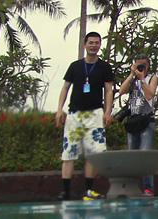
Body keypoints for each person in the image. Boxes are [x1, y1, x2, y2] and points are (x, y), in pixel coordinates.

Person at [55, 32, 116, 202]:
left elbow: (109, 90)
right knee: (69, 153)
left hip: (95, 115)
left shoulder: (104, 67)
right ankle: (66, 192)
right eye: (91, 43)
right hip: (74, 115)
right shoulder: (75, 66)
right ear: (85, 45)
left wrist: (108, 112)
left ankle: (88, 191)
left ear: (100, 45)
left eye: (97, 43)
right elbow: (65, 88)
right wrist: (59, 109)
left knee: (93, 154)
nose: (93, 46)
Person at [117, 54, 158, 196]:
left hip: (147, 120)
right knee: (132, 155)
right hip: (133, 120)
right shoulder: (133, 79)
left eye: (143, 65)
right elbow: (121, 91)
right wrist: (132, 74)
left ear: (148, 66)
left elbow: (150, 95)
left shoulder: (152, 77)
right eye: (138, 64)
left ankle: (148, 187)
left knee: (145, 154)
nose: (141, 67)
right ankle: (132, 187)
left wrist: (142, 79)